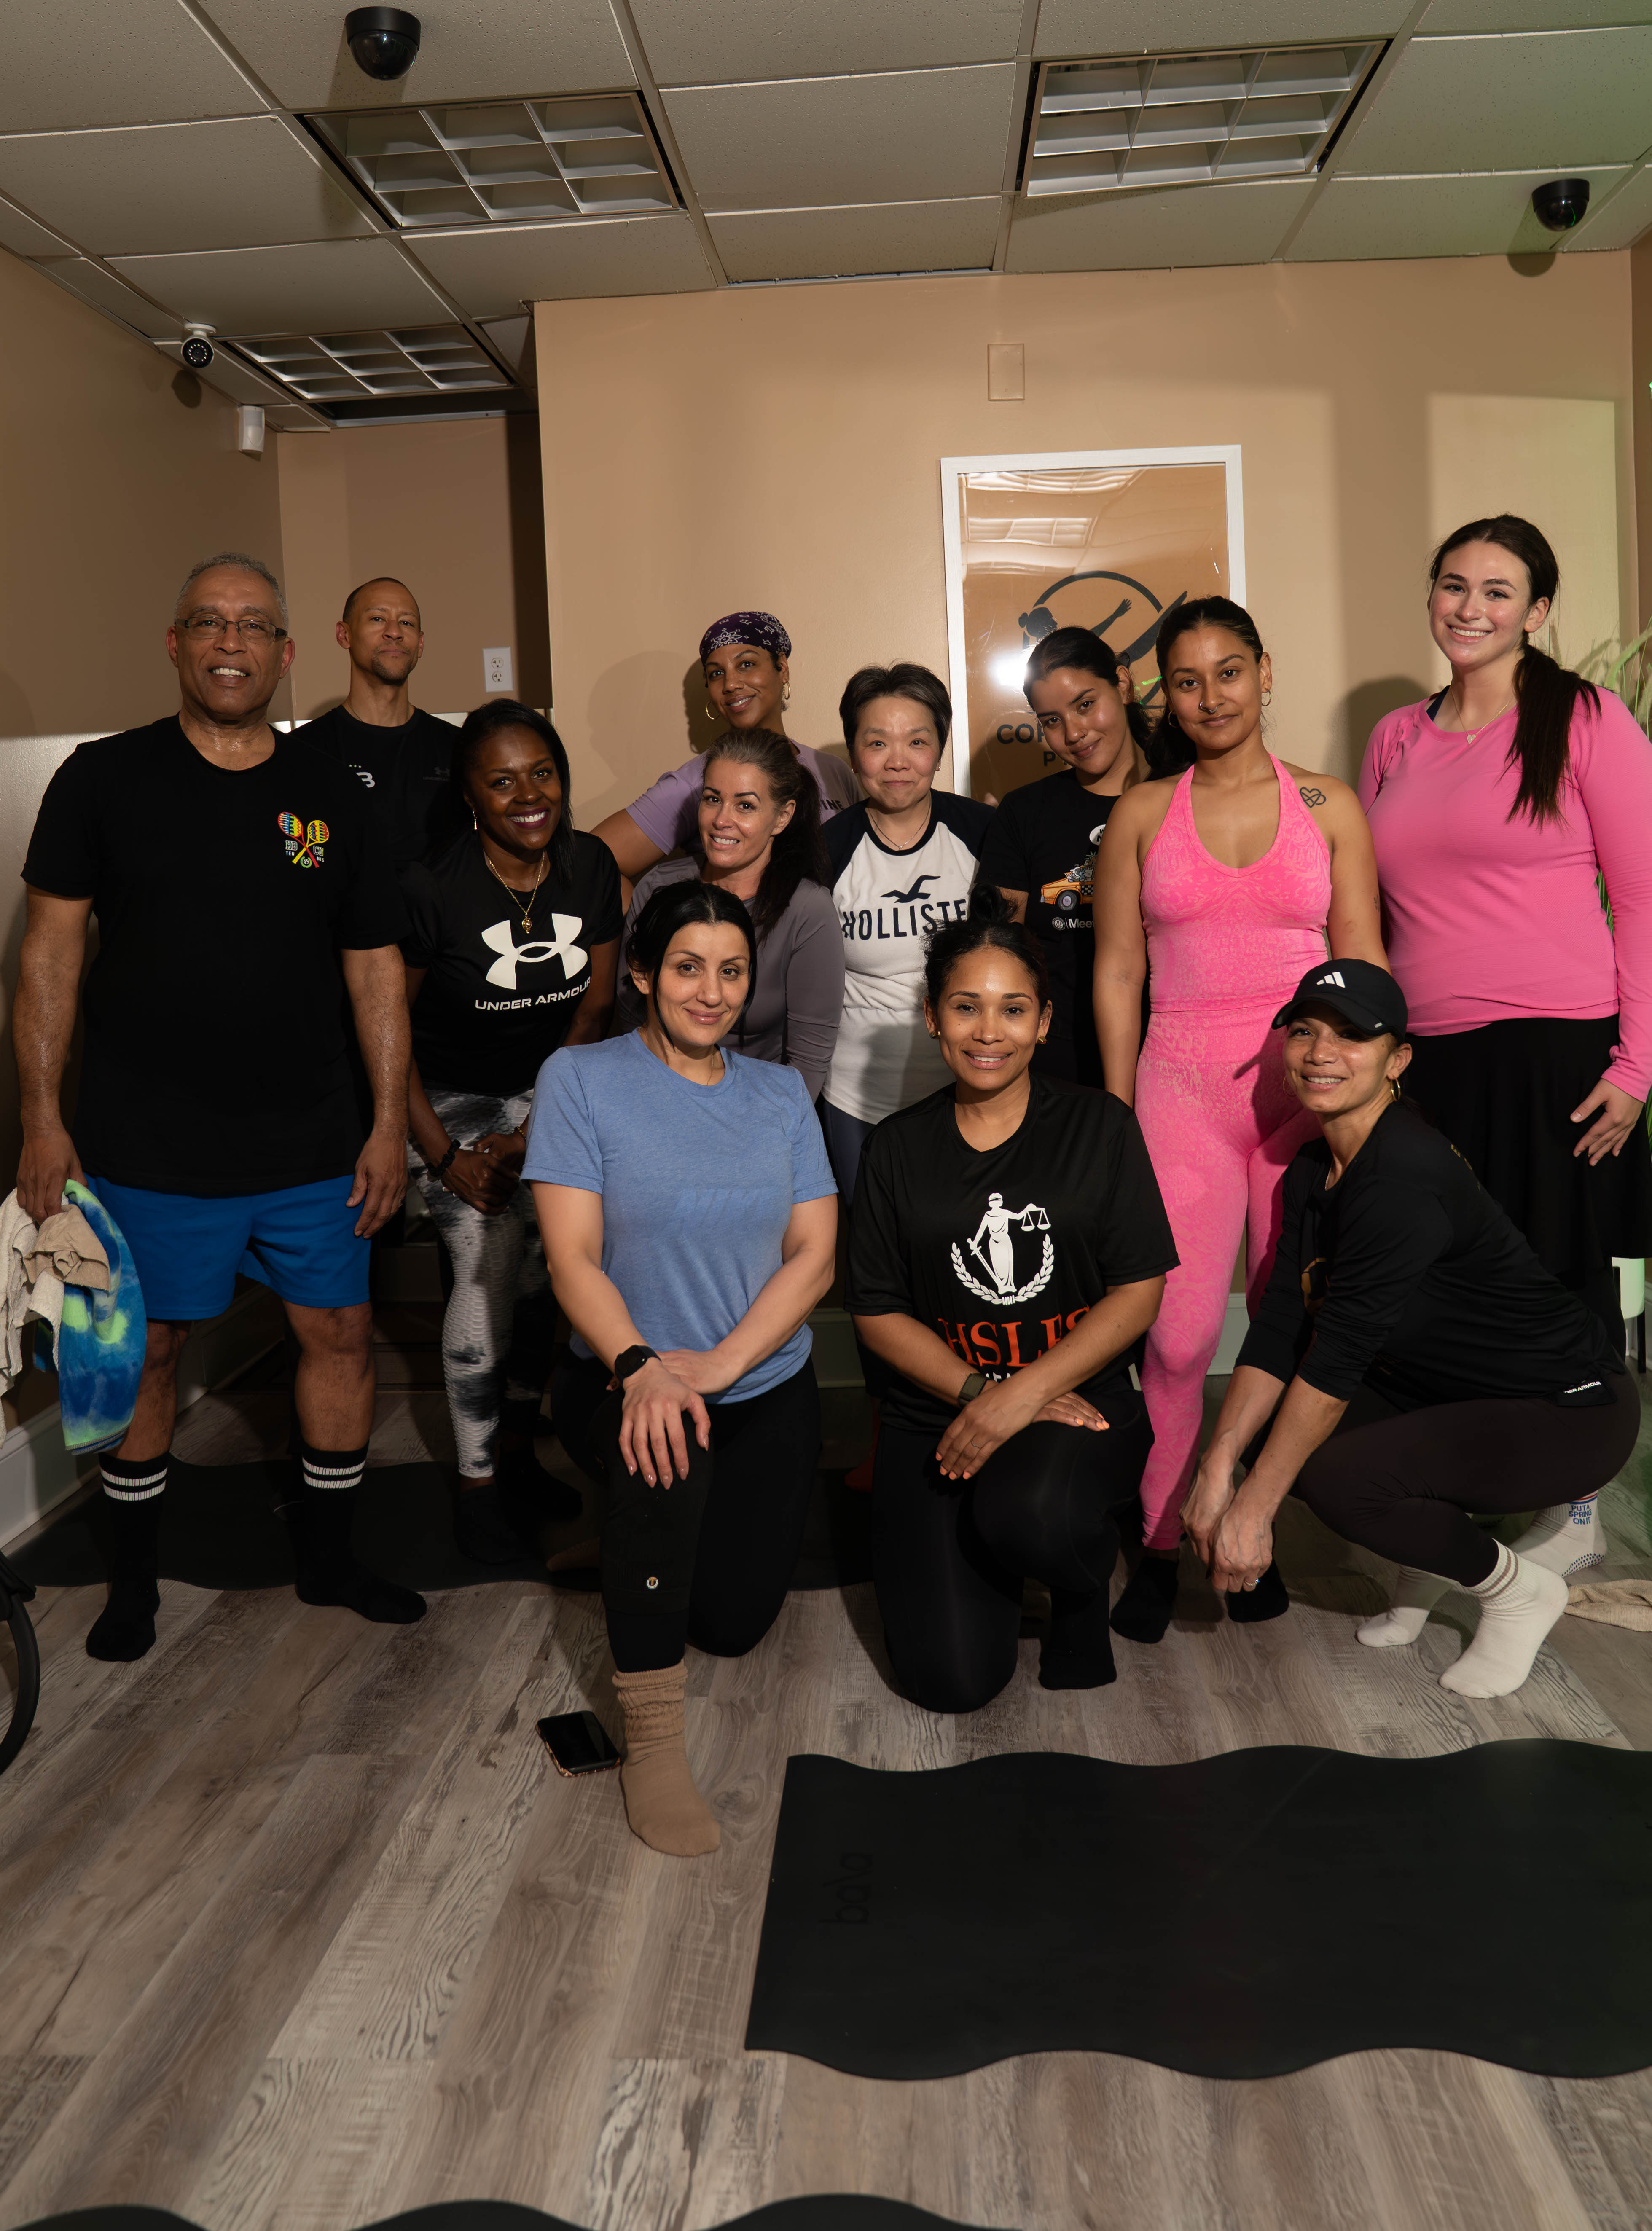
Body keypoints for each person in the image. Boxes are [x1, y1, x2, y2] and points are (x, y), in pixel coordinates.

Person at [13, 553, 422, 1662]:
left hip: (313, 1139)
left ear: (288, 655)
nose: (230, 641)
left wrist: (388, 1121)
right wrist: (42, 1118)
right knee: (147, 1353)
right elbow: (48, 958)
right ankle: (133, 1582)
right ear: (177, 645)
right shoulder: (102, 781)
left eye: (253, 626)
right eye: (209, 622)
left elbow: (375, 966)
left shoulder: (332, 792)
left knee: (337, 1335)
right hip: (146, 1143)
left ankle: (330, 1560)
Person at [1183, 959, 1638, 1699]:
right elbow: (1278, 1324)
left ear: (1396, 1059)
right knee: (1268, 1440)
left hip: (1566, 1409)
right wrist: (1215, 1464)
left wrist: (1251, 1507)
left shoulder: (1400, 1173)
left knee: (1335, 1477)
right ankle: (1427, 1563)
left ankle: (1515, 1590)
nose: (1320, 1052)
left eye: (1352, 1036)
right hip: (1446, 1390)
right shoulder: (1311, 1166)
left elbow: (1336, 1358)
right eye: (1303, 1031)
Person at [1091, 596, 1388, 1643]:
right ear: (1159, 695)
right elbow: (1118, 969)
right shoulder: (1138, 811)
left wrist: (1368, 1119)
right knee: (1171, 1340)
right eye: (1183, 678)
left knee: (1286, 1326)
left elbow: (1364, 972)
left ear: (1263, 673)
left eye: (1227, 671)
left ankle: (1244, 1527)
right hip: (1175, 1095)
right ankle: (1163, 1534)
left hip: (1300, 1105)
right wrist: (1119, 1114)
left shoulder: (1329, 805)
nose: (1207, 695)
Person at [527, 882, 836, 1856]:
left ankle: (632, 1534)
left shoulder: (779, 1093)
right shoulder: (581, 1080)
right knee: (662, 1457)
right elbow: (570, 1257)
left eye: (731, 970)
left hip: (756, 1384)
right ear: (646, 975)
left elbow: (813, 1255)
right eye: (688, 967)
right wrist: (645, 1369)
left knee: (733, 1623)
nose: (710, 990)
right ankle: (654, 1746)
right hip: (623, 1381)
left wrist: (719, 1365)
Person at [848, 887, 1177, 1711]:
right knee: (951, 1683)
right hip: (941, 1416)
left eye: (1011, 1008)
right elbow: (877, 1310)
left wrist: (1022, 1395)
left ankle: (1074, 1591)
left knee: (1030, 1515)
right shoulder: (896, 1148)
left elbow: (1139, 1290)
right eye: (966, 1006)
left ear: (1044, 1021)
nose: (987, 1031)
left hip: (1076, 1406)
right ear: (932, 1017)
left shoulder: (1099, 1127)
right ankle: (987, 1556)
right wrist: (979, 1395)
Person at [1359, 514, 1652, 1376]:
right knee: (1445, 1287)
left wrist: (1636, 1068)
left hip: (1552, 1055)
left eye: (1497, 591)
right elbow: (1369, 909)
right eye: (1454, 585)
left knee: (1556, 1289)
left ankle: (1578, 1501)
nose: (1470, 607)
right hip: (1426, 1063)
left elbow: (1640, 903)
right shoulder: (1395, 736)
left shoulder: (1587, 718)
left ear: (1537, 612)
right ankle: (1475, 1487)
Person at [401, 701, 621, 1560]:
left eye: (542, 773)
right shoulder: (429, 885)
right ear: (469, 797)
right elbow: (388, 1035)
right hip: (446, 1098)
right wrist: (445, 1154)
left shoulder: (590, 866)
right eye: (502, 781)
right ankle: (478, 1483)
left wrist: (538, 1128)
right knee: (488, 1258)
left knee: (552, 1266)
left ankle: (521, 1449)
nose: (528, 795)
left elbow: (596, 1007)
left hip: (550, 1088)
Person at [818, 663, 996, 1203]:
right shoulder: (826, 849)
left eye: (917, 741)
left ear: (939, 750)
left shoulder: (984, 834)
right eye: (877, 742)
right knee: (878, 1258)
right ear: (854, 754)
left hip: (971, 1089)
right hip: (857, 1097)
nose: (897, 761)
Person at [614, 728, 846, 1103]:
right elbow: (630, 1020)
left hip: (761, 1111)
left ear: (783, 816)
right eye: (712, 799)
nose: (722, 820)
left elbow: (808, 1063)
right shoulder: (657, 889)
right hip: (657, 1098)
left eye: (745, 805)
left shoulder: (808, 911)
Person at [979, 627, 1150, 1087]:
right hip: (1053, 1065)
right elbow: (995, 949)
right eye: (1051, 720)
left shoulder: (1186, 794)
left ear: (1123, 684)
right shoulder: (1024, 813)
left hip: (1169, 1052)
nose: (1074, 732)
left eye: (1085, 704)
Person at [591, 612, 858, 890]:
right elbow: (589, 863)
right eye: (716, 674)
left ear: (782, 668)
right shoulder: (695, 781)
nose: (730, 684)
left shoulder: (832, 770)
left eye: (746, 664)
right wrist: (647, 922)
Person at [303, 577, 465, 871]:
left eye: (407, 623)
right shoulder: (305, 750)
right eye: (377, 619)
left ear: (421, 644)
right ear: (344, 635)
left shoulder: (460, 748)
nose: (394, 632)